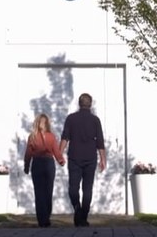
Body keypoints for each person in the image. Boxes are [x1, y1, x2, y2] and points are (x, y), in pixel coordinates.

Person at [60, 93, 106, 227]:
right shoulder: (95, 120)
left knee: (73, 188)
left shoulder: (71, 119)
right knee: (87, 189)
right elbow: (100, 142)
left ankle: (77, 209)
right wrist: (103, 159)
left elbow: (65, 138)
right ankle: (83, 217)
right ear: (90, 104)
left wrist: (59, 154)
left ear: (79, 104)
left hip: (74, 157)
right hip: (90, 158)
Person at [23, 113, 65, 228]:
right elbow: (28, 153)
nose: (43, 124)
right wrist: (26, 165)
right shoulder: (32, 137)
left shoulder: (51, 136)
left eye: (45, 122)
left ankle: (46, 217)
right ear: (38, 123)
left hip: (48, 163)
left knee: (47, 191)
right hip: (38, 163)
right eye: (41, 122)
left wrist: (60, 160)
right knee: (39, 192)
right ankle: (42, 219)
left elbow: (56, 150)